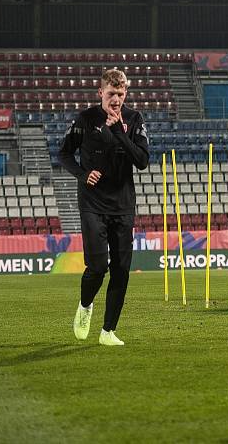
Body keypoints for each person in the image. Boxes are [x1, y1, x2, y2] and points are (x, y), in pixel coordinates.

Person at [61, 68, 149, 346]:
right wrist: (82, 173)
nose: (116, 100)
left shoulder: (134, 120)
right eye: (111, 94)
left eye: (121, 94)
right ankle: (85, 306)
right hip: (93, 203)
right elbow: (63, 153)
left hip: (123, 205)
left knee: (121, 269)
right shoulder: (86, 119)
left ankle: (108, 331)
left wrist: (121, 132)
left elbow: (143, 160)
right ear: (100, 92)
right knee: (98, 266)